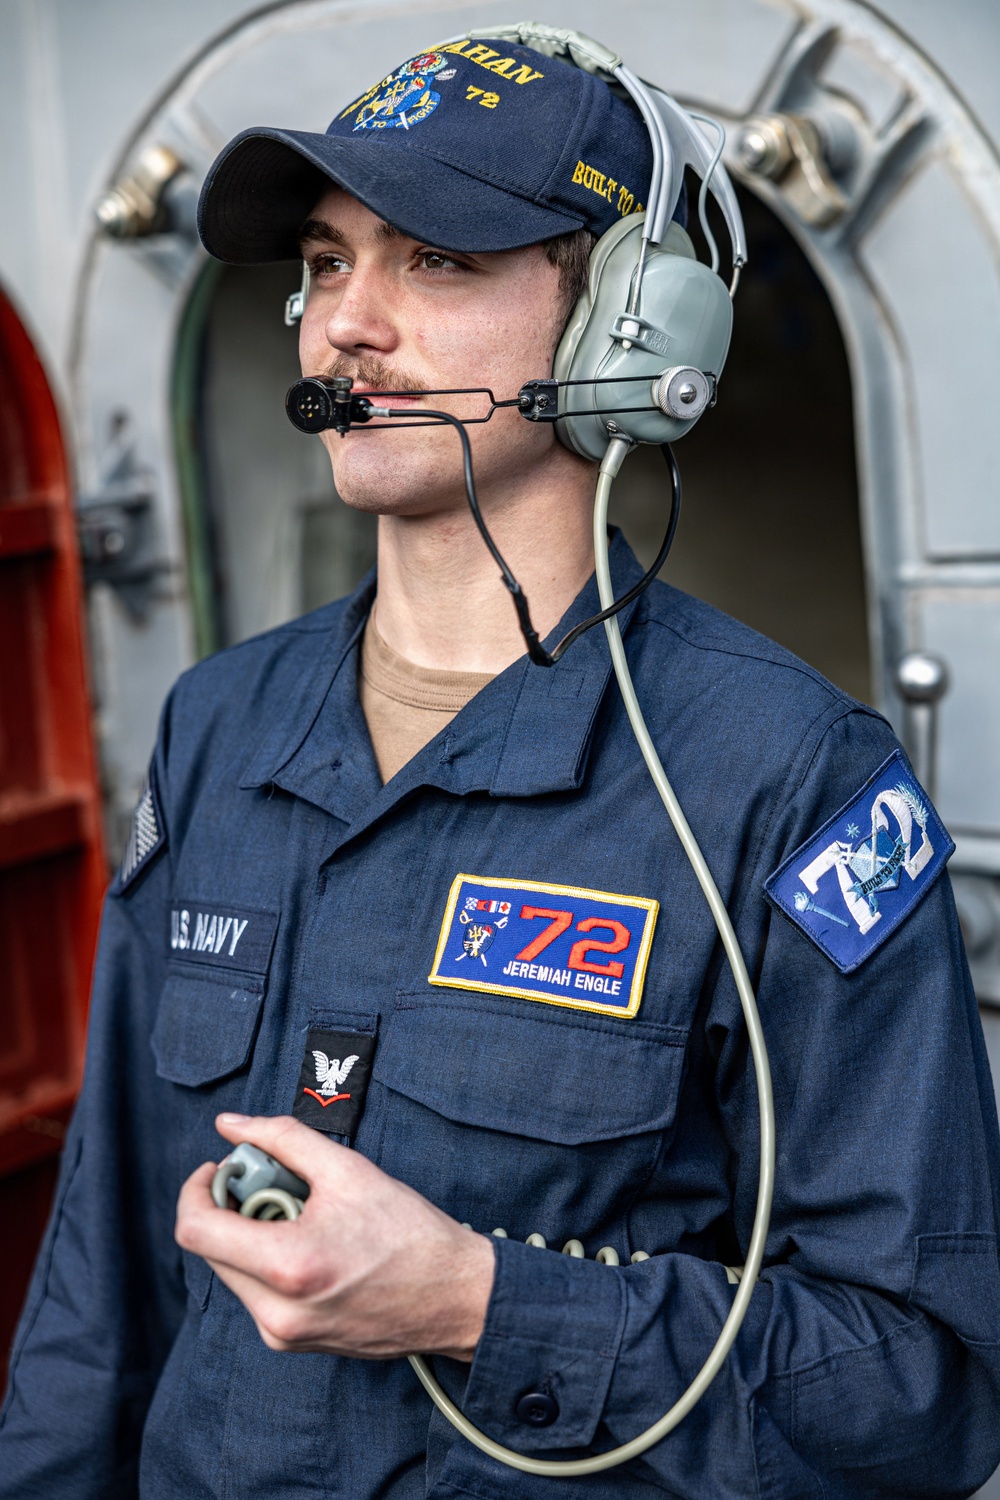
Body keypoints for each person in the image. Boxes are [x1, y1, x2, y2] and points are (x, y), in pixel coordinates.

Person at [2, 28, 1000, 1500]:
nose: (349, 325)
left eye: (439, 261)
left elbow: (922, 1385)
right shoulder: (217, 723)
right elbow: (105, 1274)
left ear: (628, 329)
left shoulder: (790, 779)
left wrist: (476, 1301)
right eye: (330, 263)